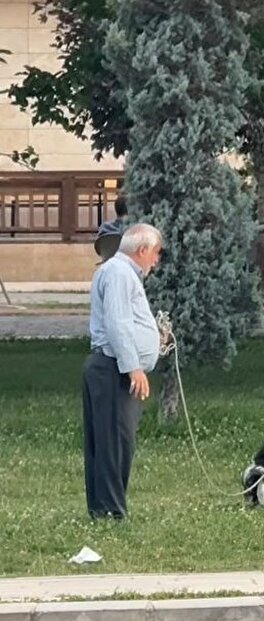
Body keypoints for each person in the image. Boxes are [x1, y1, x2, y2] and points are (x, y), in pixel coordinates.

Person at [82, 223, 165, 519]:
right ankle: (110, 512)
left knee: (110, 441)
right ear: (142, 250)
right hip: (113, 368)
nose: (156, 261)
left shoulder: (121, 273)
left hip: (110, 366)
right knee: (116, 443)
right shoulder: (119, 273)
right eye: (156, 253)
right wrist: (134, 368)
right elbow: (118, 323)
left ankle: (102, 509)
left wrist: (155, 341)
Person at [94, 194, 129, 262]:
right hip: (128, 266)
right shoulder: (133, 230)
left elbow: (99, 249)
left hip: (108, 263)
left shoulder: (105, 227)